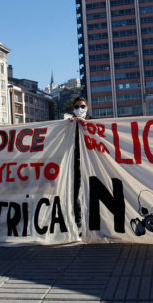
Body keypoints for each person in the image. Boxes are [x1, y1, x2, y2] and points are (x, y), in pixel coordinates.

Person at [69, 97, 91, 232]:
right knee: (76, 193)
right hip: (75, 163)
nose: (80, 109)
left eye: (82, 106)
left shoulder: (94, 121)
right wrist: (69, 125)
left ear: (87, 108)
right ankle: (78, 223)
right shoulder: (69, 124)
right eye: (77, 107)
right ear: (73, 109)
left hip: (92, 163)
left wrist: (86, 124)